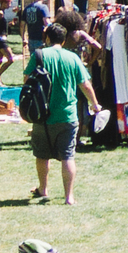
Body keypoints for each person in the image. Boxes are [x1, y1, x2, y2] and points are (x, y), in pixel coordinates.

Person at [28, 22, 100, 205]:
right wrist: (95, 104)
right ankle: (69, 196)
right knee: (68, 156)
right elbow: (84, 84)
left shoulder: (39, 55)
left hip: (43, 115)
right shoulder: (73, 57)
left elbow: (27, 80)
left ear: (47, 38)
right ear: (64, 39)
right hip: (68, 114)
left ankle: (43, 189)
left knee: (42, 155)